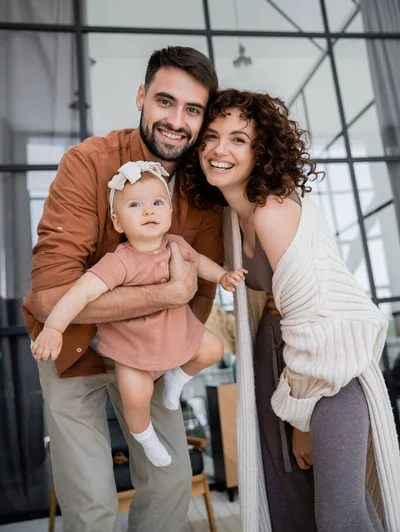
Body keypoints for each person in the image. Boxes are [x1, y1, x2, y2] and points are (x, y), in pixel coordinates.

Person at [22, 46, 223, 532]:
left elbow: (200, 292)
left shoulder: (205, 186)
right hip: (72, 349)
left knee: (172, 481)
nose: (176, 120)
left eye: (192, 110)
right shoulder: (87, 163)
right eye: (165, 102)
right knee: (92, 505)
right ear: (141, 97)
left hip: (152, 354)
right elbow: (51, 296)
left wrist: (172, 341)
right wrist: (164, 295)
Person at [183, 88, 400, 532]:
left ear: (261, 151)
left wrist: (303, 415)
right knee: (290, 502)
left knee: (341, 513)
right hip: (275, 359)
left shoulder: (273, 210)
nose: (219, 149)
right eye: (211, 136)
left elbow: (320, 321)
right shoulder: (232, 216)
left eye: (238, 139)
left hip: (330, 370)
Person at [31, 160, 246, 468]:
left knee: (212, 349)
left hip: (175, 332)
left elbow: (198, 262)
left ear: (169, 214)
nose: (149, 211)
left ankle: (176, 378)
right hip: (134, 346)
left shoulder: (177, 244)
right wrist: (53, 328)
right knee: (136, 395)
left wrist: (222, 276)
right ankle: (146, 438)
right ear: (118, 223)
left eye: (157, 203)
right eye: (135, 205)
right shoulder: (119, 262)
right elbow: (80, 293)